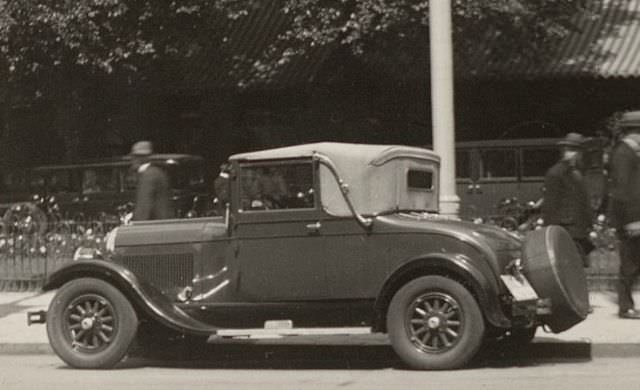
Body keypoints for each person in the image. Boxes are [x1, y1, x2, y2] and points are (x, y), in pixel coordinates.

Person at [542, 132, 594, 267]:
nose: (574, 154)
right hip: (566, 229)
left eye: (576, 150)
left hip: (578, 229)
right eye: (570, 150)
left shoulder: (576, 172)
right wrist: (553, 233)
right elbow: (550, 207)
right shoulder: (556, 174)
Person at [608, 110, 640, 319]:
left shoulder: (631, 153)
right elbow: (622, 191)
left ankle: (627, 305)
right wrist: (632, 221)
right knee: (629, 265)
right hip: (632, 221)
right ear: (634, 132)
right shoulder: (623, 154)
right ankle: (625, 307)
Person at [129, 141, 173, 221]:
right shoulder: (157, 172)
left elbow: (144, 207)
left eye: (134, 157)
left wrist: (136, 226)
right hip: (164, 222)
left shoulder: (148, 176)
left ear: (140, 158)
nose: (132, 160)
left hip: (155, 225)